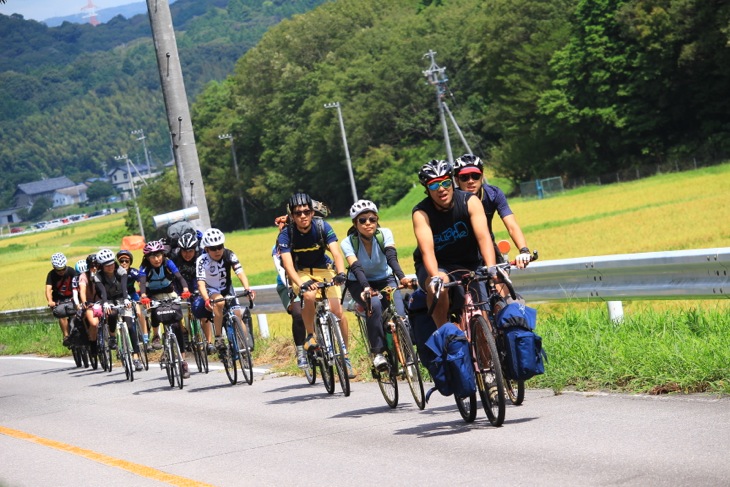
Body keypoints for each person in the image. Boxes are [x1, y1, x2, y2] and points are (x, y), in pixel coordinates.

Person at [276, 192, 354, 378]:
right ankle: (311, 335)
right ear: (292, 216)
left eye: (306, 211)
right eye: (297, 213)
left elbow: (336, 253)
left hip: (323, 269)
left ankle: (345, 355)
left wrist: (341, 273)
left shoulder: (322, 226)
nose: (302, 216)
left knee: (338, 312)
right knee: (309, 296)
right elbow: (287, 265)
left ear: (312, 213)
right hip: (300, 272)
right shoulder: (287, 234)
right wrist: (300, 284)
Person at [412, 159, 497, 327]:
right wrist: (435, 277)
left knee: (483, 319)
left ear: (452, 182)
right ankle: (445, 333)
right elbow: (427, 252)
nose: (441, 189)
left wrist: (491, 266)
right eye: (435, 185)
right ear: (427, 190)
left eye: (445, 182)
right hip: (438, 265)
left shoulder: (470, 201)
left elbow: (484, 237)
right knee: (439, 286)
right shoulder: (421, 213)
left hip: (469, 263)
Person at [341, 199, 412, 371]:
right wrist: (366, 287)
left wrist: (401, 278)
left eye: (372, 219)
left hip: (385, 279)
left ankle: (407, 354)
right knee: (374, 304)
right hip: (359, 282)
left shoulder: (385, 234)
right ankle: (378, 353)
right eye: (362, 220)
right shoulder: (348, 242)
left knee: (400, 315)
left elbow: (391, 257)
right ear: (355, 223)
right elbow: (356, 267)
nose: (368, 224)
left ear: (377, 220)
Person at [453, 154, 532, 268]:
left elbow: (511, 226)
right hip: (461, 254)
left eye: (475, 176)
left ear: (482, 177)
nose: (470, 181)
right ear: (456, 180)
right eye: (464, 177)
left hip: (488, 247)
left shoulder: (493, 194)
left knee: (501, 284)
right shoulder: (451, 201)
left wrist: (524, 250)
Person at [196, 228, 256, 360]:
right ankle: (218, 337)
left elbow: (240, 273)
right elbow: (201, 283)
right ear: (206, 249)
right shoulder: (201, 260)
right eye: (213, 248)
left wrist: (247, 289)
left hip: (227, 288)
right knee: (220, 301)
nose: (217, 250)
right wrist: (206, 299)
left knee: (237, 316)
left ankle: (245, 346)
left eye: (220, 247)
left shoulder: (229, 254)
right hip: (211, 289)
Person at [138, 240, 192, 378]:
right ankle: (156, 335)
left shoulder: (168, 262)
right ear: (147, 258)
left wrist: (185, 289)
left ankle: (183, 361)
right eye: (152, 257)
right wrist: (143, 295)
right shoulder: (144, 267)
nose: (156, 259)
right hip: (153, 295)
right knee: (154, 311)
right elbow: (143, 283)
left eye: (159, 255)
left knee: (176, 325)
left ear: (163, 254)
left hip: (169, 293)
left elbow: (179, 277)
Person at [93, 249, 144, 372]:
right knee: (112, 313)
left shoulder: (121, 271)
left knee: (130, 326)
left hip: (122, 297)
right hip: (108, 299)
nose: (110, 267)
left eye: (112, 263)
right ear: (101, 266)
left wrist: (126, 299)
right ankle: (112, 336)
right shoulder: (97, 276)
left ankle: (136, 358)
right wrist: (105, 303)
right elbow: (102, 292)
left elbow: (124, 287)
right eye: (107, 265)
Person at [273, 215, 307, 368]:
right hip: (287, 283)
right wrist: (292, 290)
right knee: (298, 313)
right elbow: (283, 270)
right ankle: (301, 351)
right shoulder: (279, 247)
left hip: (308, 278)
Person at [173, 232, 215, 355]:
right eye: (184, 251)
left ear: (195, 249)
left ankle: (209, 343)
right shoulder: (175, 259)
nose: (187, 254)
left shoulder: (201, 256)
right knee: (175, 310)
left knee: (203, 312)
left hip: (196, 283)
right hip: (180, 285)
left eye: (190, 251)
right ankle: (183, 330)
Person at [116, 249, 148, 349]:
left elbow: (140, 282)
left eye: (127, 261)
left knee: (140, 312)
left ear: (130, 262)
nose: (124, 263)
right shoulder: (116, 272)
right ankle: (120, 344)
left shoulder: (133, 271)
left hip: (132, 294)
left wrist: (143, 295)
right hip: (121, 296)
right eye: (121, 261)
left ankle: (145, 338)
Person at [45, 252, 76, 347]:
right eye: (58, 270)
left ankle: (78, 333)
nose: (61, 272)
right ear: (54, 268)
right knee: (61, 314)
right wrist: (50, 301)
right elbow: (48, 289)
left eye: (63, 269)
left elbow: (78, 283)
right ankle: (66, 336)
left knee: (76, 313)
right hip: (59, 300)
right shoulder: (51, 275)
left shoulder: (71, 271)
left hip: (72, 297)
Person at [72, 256, 102, 356]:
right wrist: (84, 302)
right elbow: (82, 291)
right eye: (92, 266)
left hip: (104, 302)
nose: (94, 268)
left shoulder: (103, 273)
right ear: (88, 267)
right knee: (94, 324)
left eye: (96, 265)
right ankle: (93, 344)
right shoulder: (83, 276)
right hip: (91, 304)